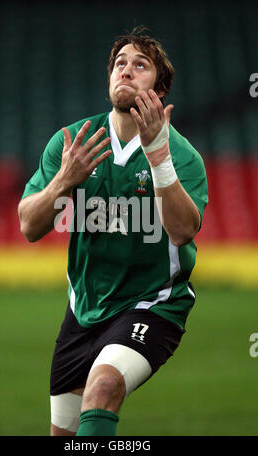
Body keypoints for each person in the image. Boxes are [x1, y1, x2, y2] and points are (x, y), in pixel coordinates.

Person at [18, 26, 208, 436]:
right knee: (64, 434)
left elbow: (181, 232)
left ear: (159, 89)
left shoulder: (183, 155)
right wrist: (63, 181)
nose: (126, 70)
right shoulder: (73, 142)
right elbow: (30, 226)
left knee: (103, 387)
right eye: (119, 63)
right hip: (83, 308)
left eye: (140, 65)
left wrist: (158, 157)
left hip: (152, 303)